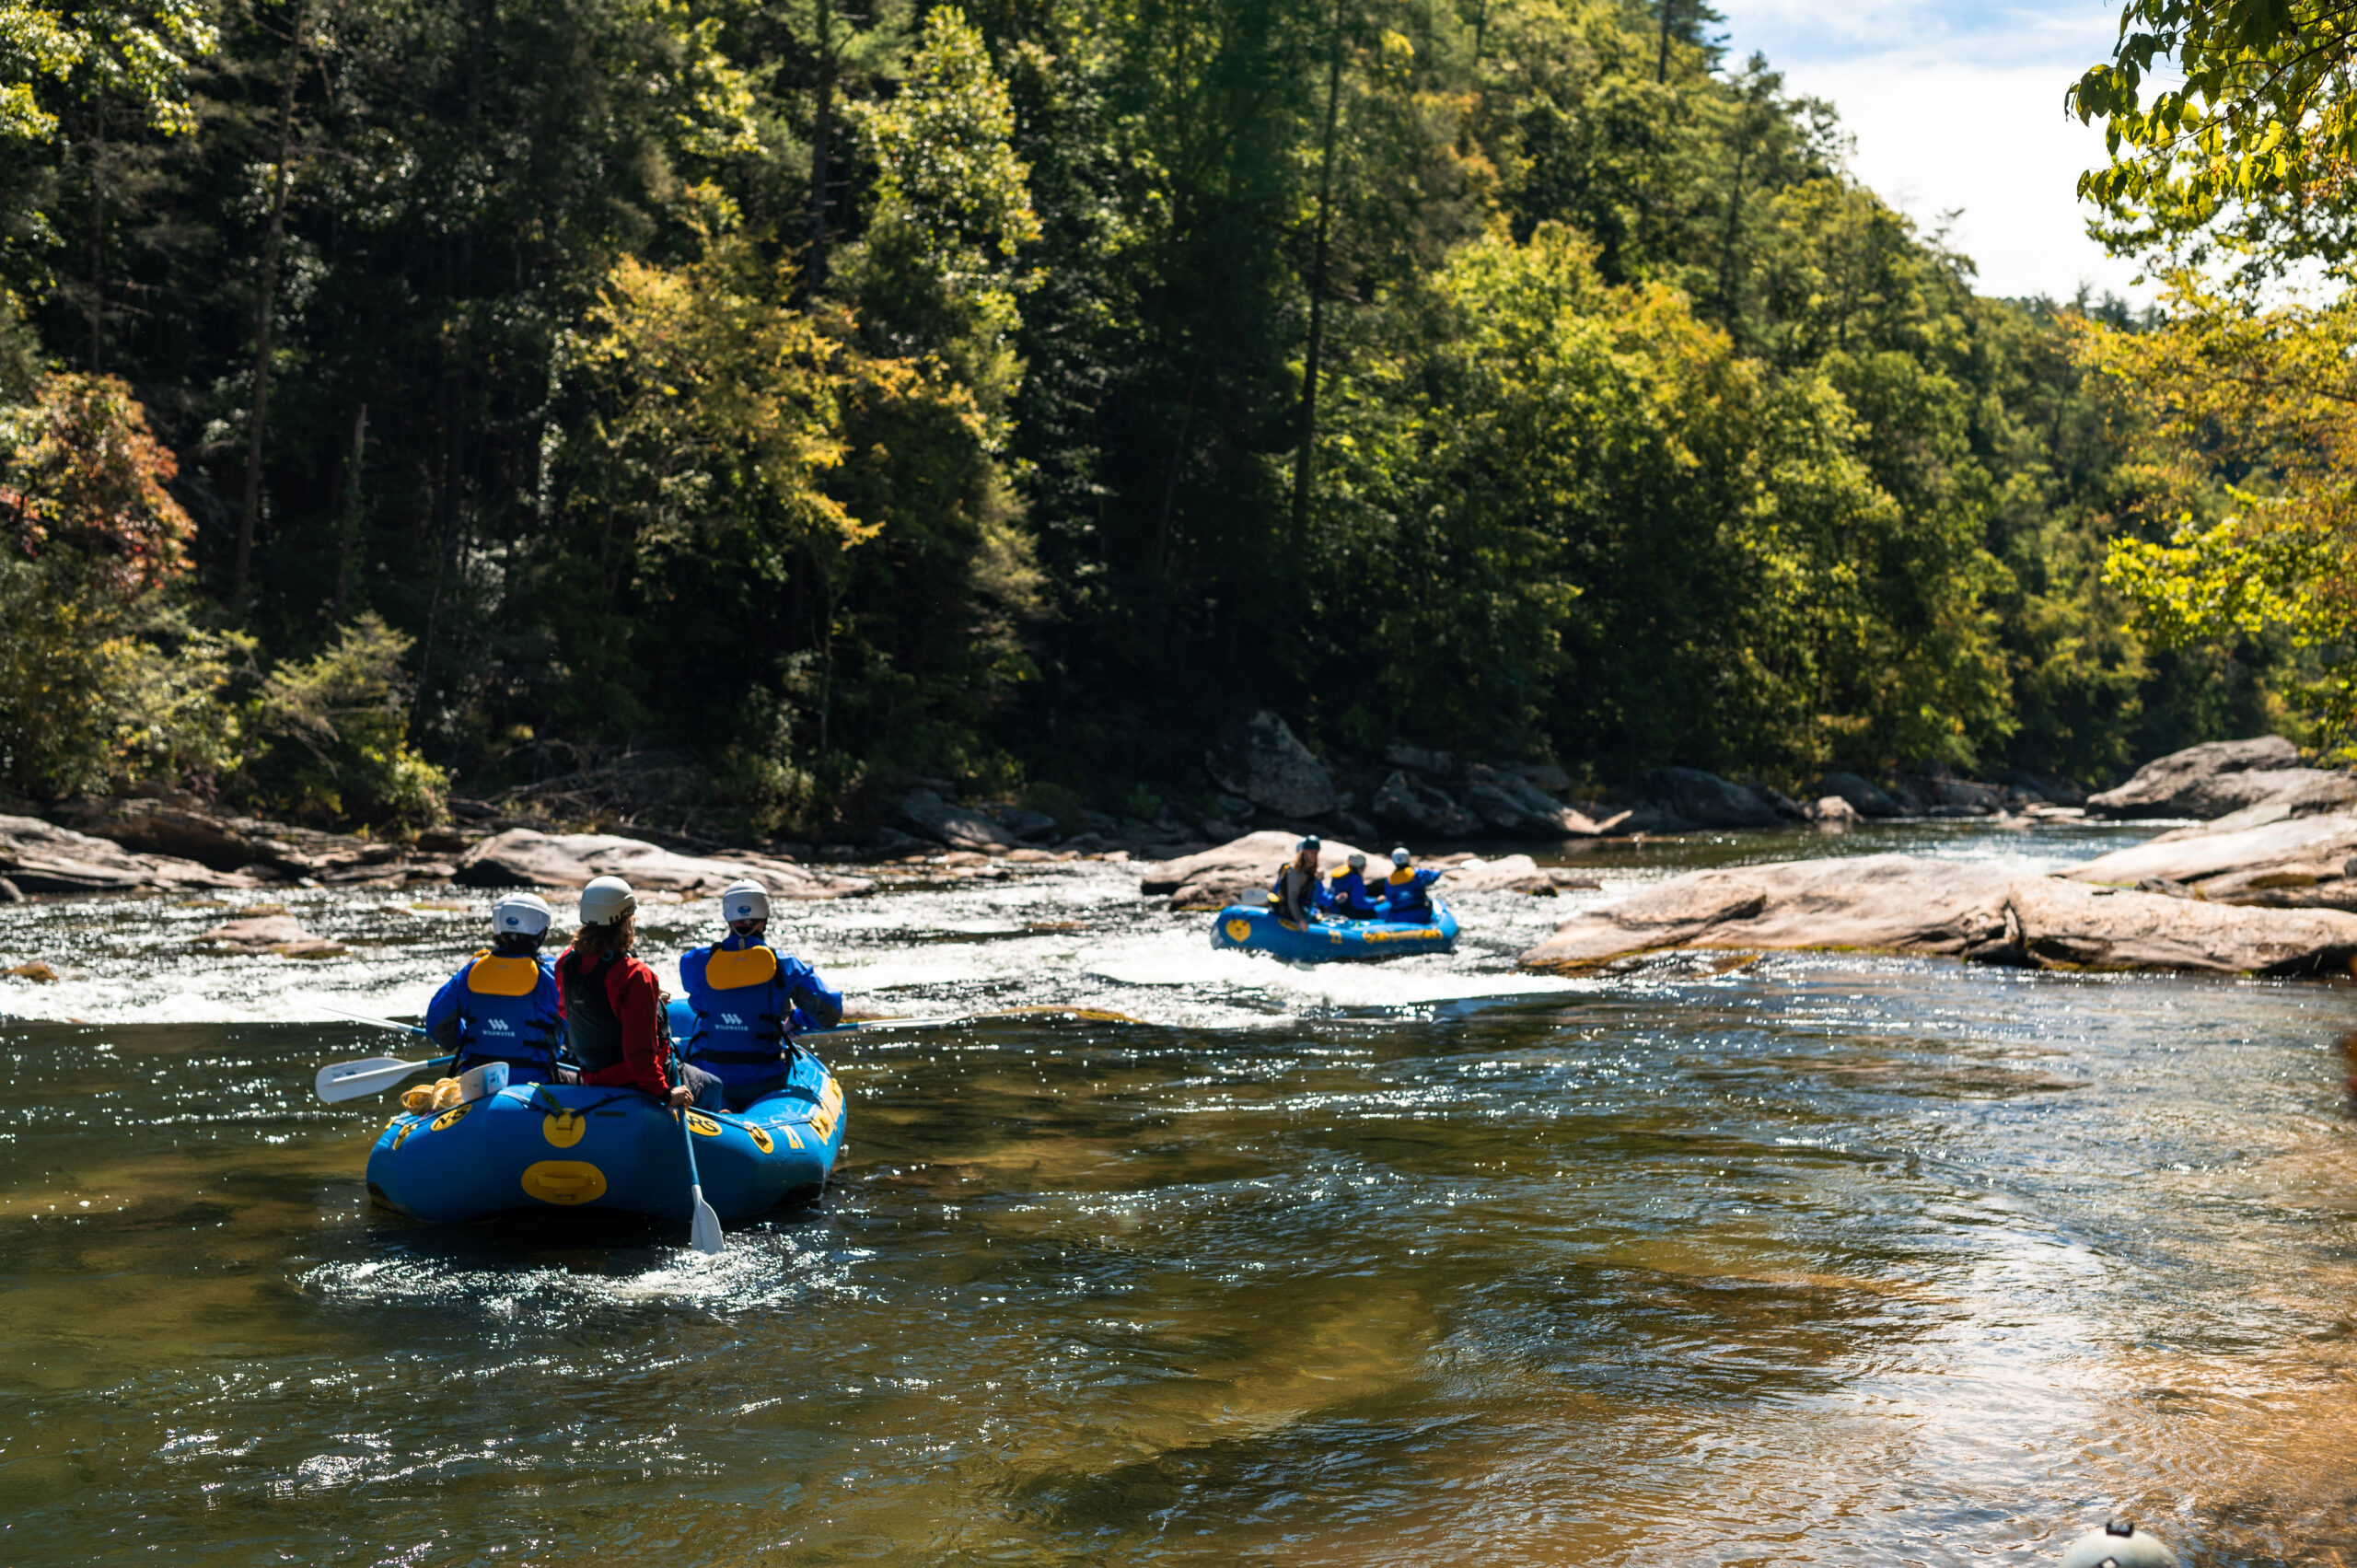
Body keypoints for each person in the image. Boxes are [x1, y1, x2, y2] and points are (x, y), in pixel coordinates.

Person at [552, 875, 717, 1110]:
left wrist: (648, 1001)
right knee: (712, 1085)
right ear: (626, 920)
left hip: (593, 1075)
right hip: (635, 1082)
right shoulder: (635, 975)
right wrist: (665, 1093)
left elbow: (578, 1012)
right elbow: (640, 1055)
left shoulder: (566, 962)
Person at [679, 878, 843, 1110]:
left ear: (727, 916)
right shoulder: (785, 964)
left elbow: (699, 1005)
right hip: (765, 1081)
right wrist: (796, 1019)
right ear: (765, 919)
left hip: (709, 1076)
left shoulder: (693, 962)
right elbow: (830, 1010)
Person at [423, 892, 569, 1083]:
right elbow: (577, 1028)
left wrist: (468, 1038)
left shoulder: (472, 971)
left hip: (477, 1082)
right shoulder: (551, 974)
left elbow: (436, 1024)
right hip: (536, 1081)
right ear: (542, 932)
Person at [1268, 836, 1325, 927]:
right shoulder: (1295, 872)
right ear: (1304, 851)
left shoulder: (1311, 870)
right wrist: (1301, 920)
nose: (1314, 855)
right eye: (1311, 852)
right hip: (1285, 908)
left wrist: (1320, 877)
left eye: (1316, 853)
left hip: (1299, 906)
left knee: (1315, 919)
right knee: (1310, 920)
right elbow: (1292, 900)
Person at [1381, 846, 1445, 923]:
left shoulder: (1389, 880)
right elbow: (1432, 876)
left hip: (1399, 918)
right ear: (1408, 858)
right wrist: (1437, 872)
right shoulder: (1417, 873)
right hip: (1420, 916)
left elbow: (1389, 899)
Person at [1326, 852, 1387, 919]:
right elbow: (1358, 904)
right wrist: (1376, 901)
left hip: (1335, 910)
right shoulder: (1356, 879)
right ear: (1361, 866)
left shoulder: (1338, 876)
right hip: (1349, 913)